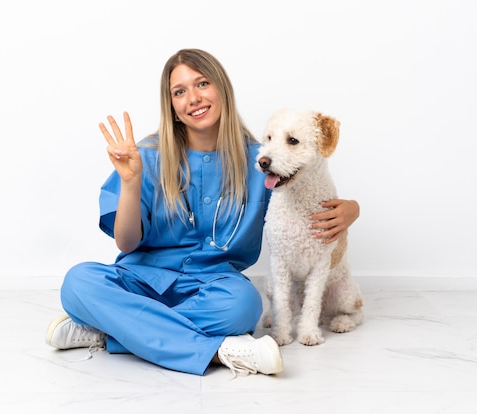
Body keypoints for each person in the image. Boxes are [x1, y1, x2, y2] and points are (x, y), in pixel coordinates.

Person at [45, 48, 360, 377]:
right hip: (139, 280)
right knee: (78, 282)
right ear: (172, 106)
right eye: (179, 92)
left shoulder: (262, 160)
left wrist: (352, 209)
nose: (192, 98)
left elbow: (305, 190)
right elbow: (125, 243)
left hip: (213, 287)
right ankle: (220, 351)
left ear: (222, 89)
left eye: (202, 84)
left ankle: (107, 330)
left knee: (244, 306)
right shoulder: (147, 156)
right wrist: (130, 181)